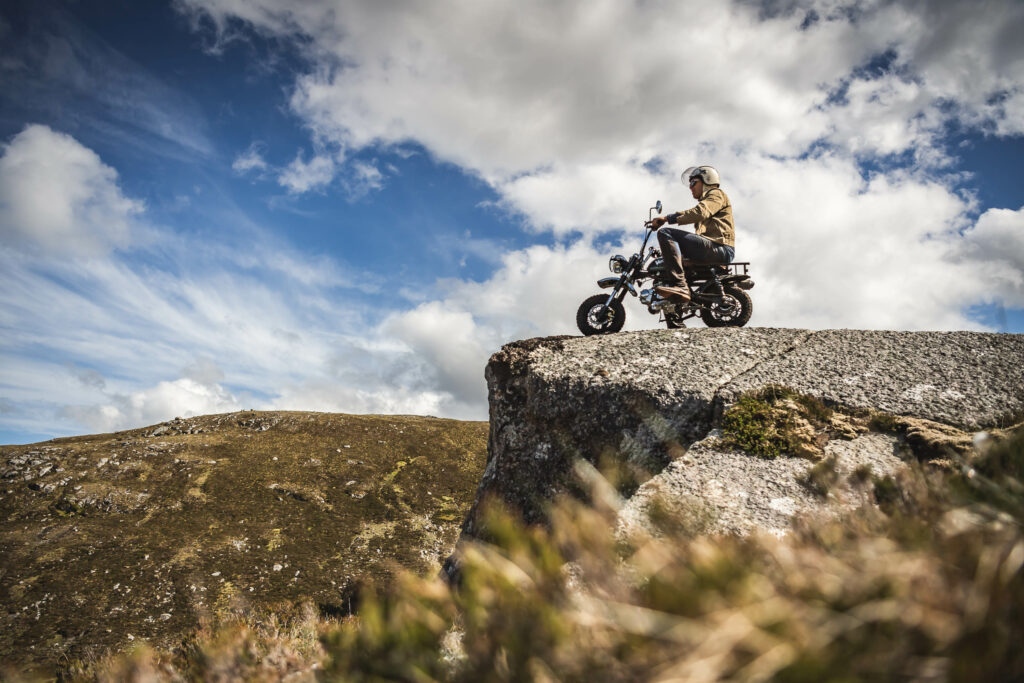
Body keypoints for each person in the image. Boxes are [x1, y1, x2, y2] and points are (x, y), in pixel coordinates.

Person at [648, 165, 735, 304]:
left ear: (707, 179)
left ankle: (681, 286)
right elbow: (694, 213)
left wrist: (667, 219)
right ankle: (675, 310)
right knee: (675, 265)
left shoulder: (716, 194)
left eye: (693, 182)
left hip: (719, 248)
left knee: (665, 233)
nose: (690, 187)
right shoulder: (708, 201)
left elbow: (699, 212)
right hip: (712, 248)